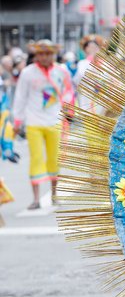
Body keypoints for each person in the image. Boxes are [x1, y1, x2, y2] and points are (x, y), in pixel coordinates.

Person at [12, 39, 74, 209]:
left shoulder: (61, 71)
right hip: (34, 123)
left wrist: (69, 108)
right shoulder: (27, 73)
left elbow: (69, 91)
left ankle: (54, 195)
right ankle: (36, 199)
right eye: (41, 53)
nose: (45, 57)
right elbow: (20, 97)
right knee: (36, 160)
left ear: (53, 54)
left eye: (48, 53)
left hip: (54, 121)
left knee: (54, 159)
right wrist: (17, 121)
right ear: (36, 55)